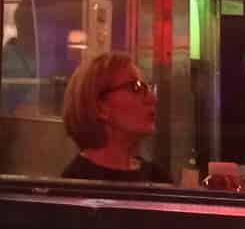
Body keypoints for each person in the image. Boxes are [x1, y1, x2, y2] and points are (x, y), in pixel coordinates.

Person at [59, 51, 170, 183]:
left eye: (147, 88)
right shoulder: (73, 186)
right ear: (100, 107)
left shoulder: (157, 177)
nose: (152, 99)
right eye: (135, 88)